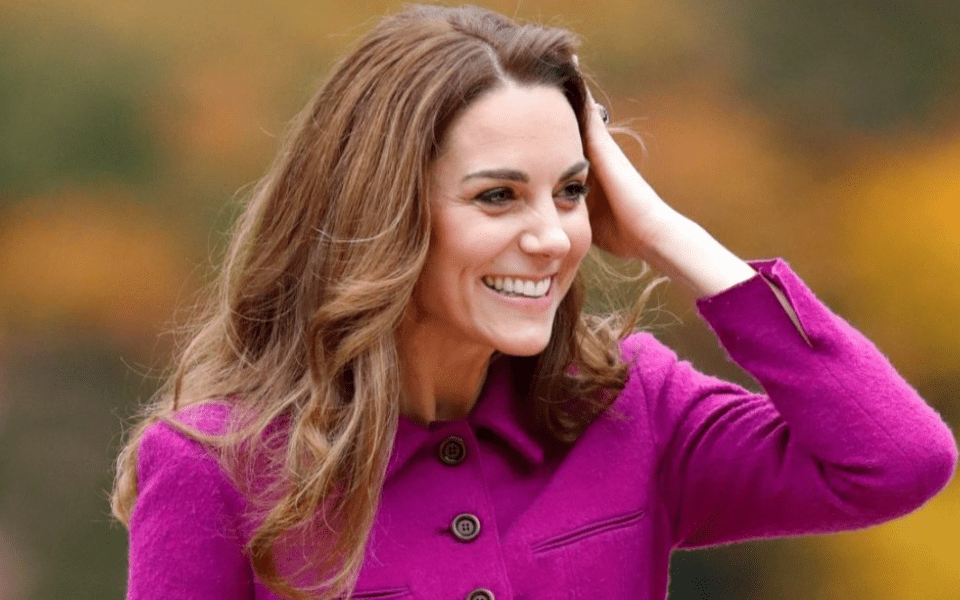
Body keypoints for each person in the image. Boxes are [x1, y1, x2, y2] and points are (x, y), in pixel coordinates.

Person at [112, 5, 957, 600]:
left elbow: (896, 463)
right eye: (498, 196)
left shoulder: (630, 404)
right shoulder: (215, 468)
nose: (553, 238)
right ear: (381, 212)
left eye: (572, 191)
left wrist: (668, 233)